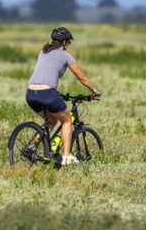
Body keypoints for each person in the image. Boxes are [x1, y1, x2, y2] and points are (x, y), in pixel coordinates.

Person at [26, 27, 100, 165]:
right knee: (66, 121)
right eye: (69, 43)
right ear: (64, 42)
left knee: (52, 121)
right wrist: (94, 90)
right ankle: (67, 156)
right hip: (46, 93)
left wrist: (55, 92)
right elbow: (81, 77)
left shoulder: (43, 52)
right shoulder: (66, 55)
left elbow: (44, 74)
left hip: (30, 93)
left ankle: (32, 147)